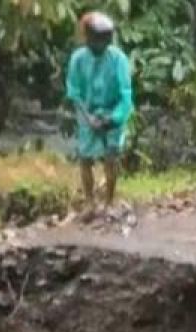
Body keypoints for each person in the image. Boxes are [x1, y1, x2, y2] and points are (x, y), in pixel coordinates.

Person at [65, 12, 134, 217]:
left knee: (110, 157)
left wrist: (113, 119)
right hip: (87, 112)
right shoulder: (78, 59)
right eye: (97, 38)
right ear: (87, 37)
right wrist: (88, 118)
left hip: (112, 113)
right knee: (85, 159)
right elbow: (74, 92)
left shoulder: (118, 59)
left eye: (106, 38)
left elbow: (125, 95)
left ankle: (109, 201)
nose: (101, 43)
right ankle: (89, 201)